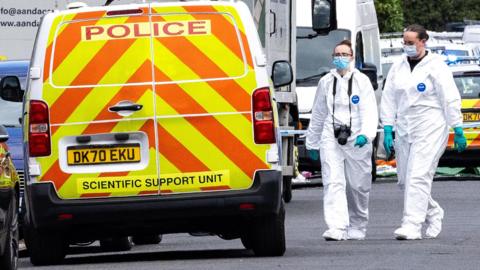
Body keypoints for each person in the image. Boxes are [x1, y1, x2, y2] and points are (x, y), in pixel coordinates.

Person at [380, 24, 467, 240]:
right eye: (404, 42)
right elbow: (389, 97)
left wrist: (457, 127)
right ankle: (433, 211)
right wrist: (388, 127)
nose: (406, 46)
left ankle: (412, 225)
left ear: (423, 41)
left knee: (418, 176)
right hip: (405, 126)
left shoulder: (436, 65)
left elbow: (449, 97)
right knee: (404, 180)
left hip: (430, 125)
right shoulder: (398, 66)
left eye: (411, 42)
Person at [306, 40, 378, 241]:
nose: (340, 58)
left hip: (357, 138)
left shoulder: (361, 81)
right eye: (337, 54)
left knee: (358, 185)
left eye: (344, 54)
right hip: (331, 135)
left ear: (352, 57)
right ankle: (337, 227)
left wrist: (367, 133)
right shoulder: (326, 82)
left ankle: (358, 224)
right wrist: (312, 141)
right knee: (333, 181)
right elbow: (319, 113)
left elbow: (370, 110)